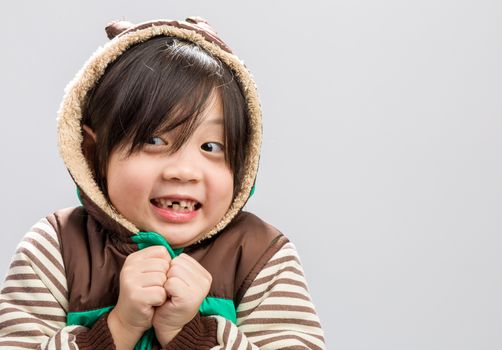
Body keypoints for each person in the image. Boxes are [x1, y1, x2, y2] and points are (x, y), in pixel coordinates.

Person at [0, 17, 325, 349]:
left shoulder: (262, 257)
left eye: (211, 147)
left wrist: (189, 334)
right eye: (154, 140)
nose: (184, 171)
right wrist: (119, 327)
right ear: (94, 152)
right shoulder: (55, 249)